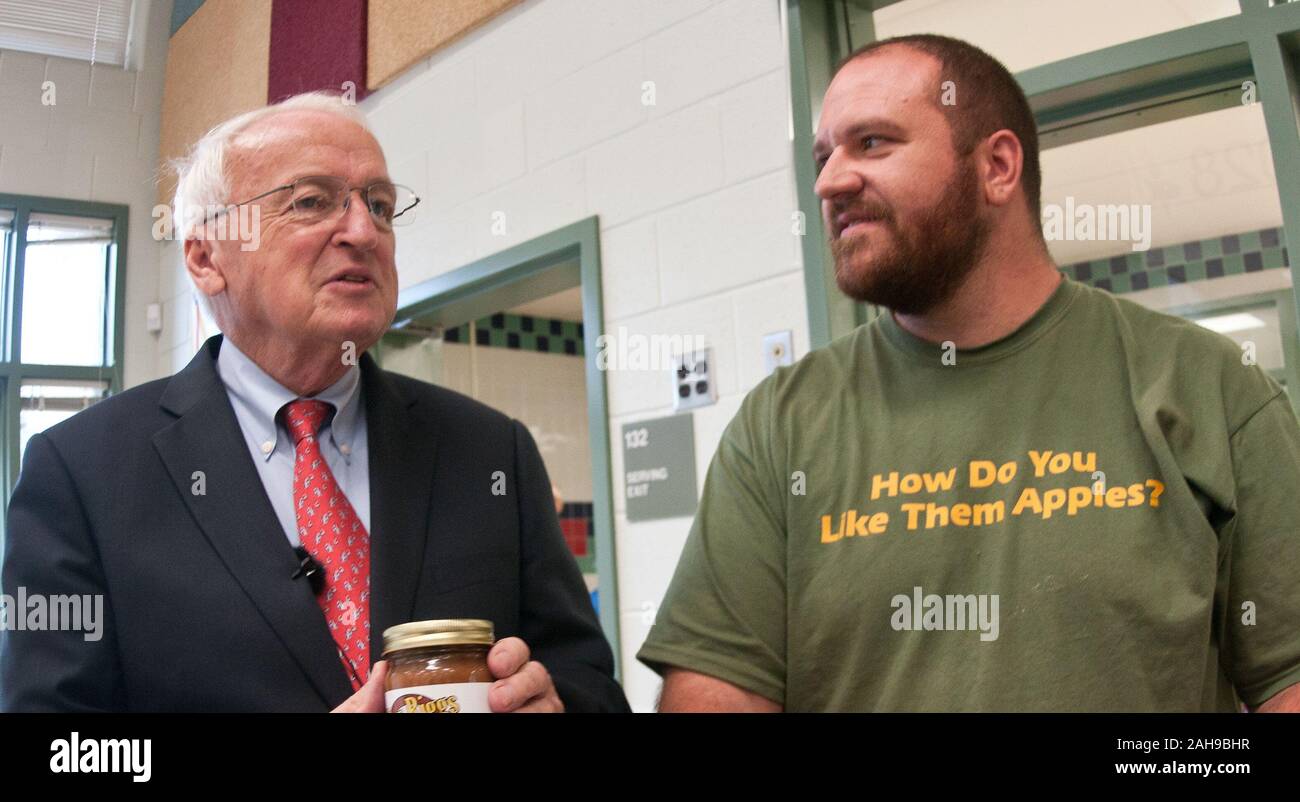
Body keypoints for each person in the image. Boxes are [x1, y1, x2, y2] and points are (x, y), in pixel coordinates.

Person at [637, 35, 1300, 712]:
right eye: (824, 154)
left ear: (998, 167)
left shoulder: (1206, 385)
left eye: (872, 142)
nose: (830, 180)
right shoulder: (779, 424)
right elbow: (717, 692)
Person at [0, 92, 629, 713]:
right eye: (310, 201)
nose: (363, 231)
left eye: (380, 206)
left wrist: (556, 705)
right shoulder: (82, 472)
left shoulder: (491, 452)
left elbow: (590, 685)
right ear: (205, 257)